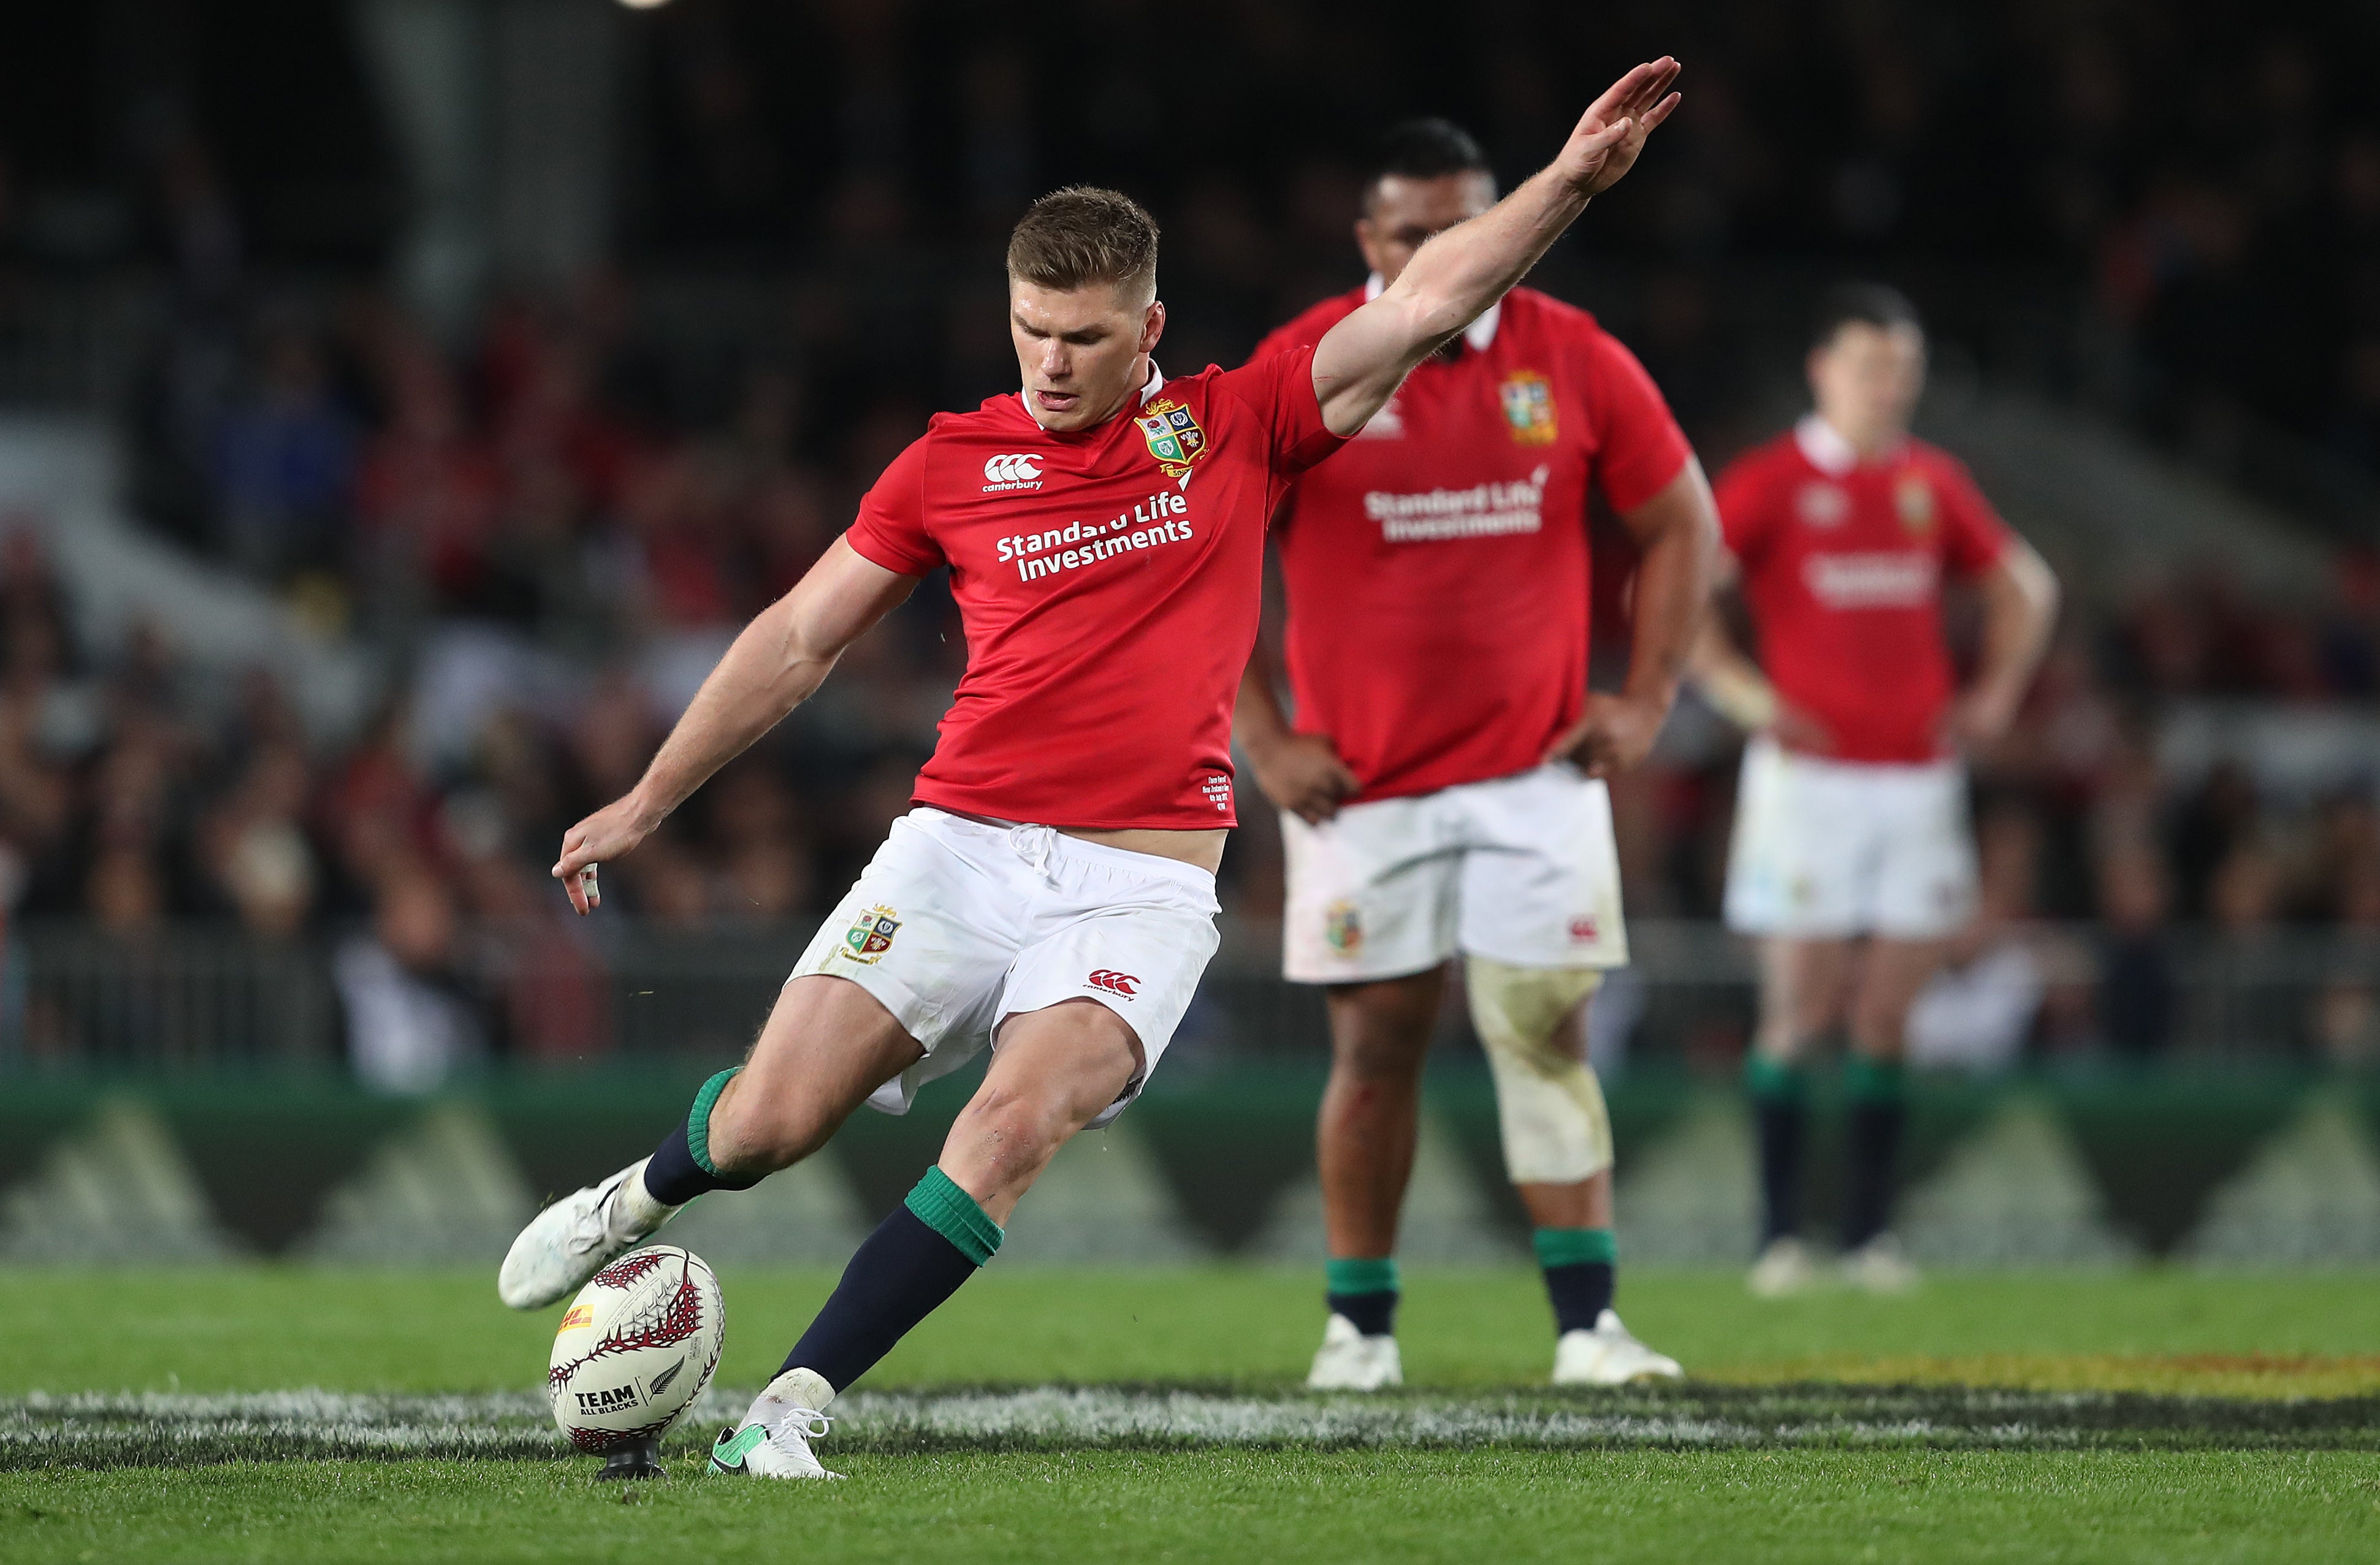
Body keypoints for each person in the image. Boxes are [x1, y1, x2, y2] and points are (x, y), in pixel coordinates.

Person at [495, 61, 1684, 1480]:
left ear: (1151, 329)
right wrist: (646, 798)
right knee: (767, 1123)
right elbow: (797, 636)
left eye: (1085, 335)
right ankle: (640, 1192)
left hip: (1140, 882)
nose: (1052, 363)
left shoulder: (1239, 425)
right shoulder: (948, 461)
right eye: (1032, 331)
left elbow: (1426, 305)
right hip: (958, 848)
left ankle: (790, 1404)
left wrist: (1566, 182)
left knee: (1013, 1124)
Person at [1236, 119, 1717, 1389]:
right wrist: (1263, 735)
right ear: (1366, 241)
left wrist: (1649, 696)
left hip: (1537, 775)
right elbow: (1203, 550)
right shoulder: (1312, 364)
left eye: (1465, 228)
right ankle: (1361, 1328)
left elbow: (1683, 523)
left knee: (1545, 1031)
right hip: (1364, 789)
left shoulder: (1574, 354)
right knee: (1378, 1049)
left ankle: (1586, 1326)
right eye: (1412, 235)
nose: (1444, 256)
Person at [1694, 283, 2059, 1296]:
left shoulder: (1930, 483)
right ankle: (1776, 1235)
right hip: (1807, 783)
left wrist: (1992, 695)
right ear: (1822, 369)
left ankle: (1866, 1237)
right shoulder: (1770, 481)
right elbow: (1679, 592)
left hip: (1916, 782)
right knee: (1799, 1009)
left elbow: (2025, 588)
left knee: (1887, 1018)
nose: (1886, 385)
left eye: (1901, 368)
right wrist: (1742, 695)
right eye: (1868, 365)